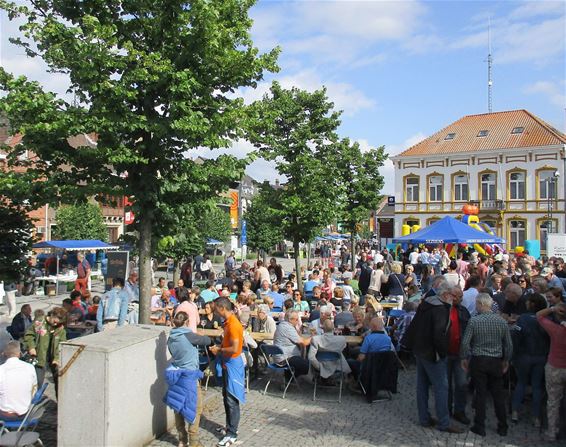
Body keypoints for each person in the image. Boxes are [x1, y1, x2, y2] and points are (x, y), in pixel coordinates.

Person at [402, 283, 463, 433]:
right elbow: (439, 334)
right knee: (441, 387)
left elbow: (416, 326)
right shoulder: (440, 309)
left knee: (422, 386)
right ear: (445, 294)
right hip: (432, 353)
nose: (454, 299)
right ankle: (444, 422)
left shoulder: (427, 304)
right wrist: (442, 353)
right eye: (453, 295)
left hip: (420, 349)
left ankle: (424, 418)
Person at [461, 293, 512, 437]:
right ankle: (503, 426)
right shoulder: (501, 322)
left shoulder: (474, 321)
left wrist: (464, 357)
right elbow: (508, 345)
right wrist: (506, 360)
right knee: (498, 395)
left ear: (481, 304)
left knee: (480, 393)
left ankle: (480, 425)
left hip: (479, 360)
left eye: (477, 304)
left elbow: (465, 343)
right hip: (495, 360)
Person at [166, 312, 211, 447]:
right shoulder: (188, 335)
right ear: (186, 321)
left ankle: (182, 439)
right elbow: (207, 341)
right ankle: (194, 442)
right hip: (189, 375)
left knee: (178, 406)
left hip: (176, 373)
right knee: (195, 408)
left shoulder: (171, 337)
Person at [209, 298, 245, 447]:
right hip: (227, 363)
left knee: (232, 400)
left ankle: (232, 434)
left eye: (216, 309)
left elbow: (235, 348)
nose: (215, 312)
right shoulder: (228, 323)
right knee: (226, 397)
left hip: (233, 365)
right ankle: (229, 427)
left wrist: (219, 350)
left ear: (222, 308)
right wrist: (220, 346)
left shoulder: (234, 325)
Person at [511, 293, 549, 427]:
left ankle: (515, 411)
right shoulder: (546, 319)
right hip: (540, 356)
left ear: (531, 304)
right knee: (537, 386)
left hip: (524, 356)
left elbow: (516, 337)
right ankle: (536, 417)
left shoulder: (523, 319)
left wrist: (513, 355)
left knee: (521, 383)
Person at [536, 302, 566, 442]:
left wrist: (553, 308)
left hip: (555, 367)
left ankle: (552, 432)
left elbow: (539, 315)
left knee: (553, 401)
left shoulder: (555, 329)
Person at [23, 307, 67, 395]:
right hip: (40, 357)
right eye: (54, 321)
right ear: (52, 315)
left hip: (54, 358)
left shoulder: (60, 328)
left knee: (59, 383)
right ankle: (32, 401)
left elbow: (62, 344)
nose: (55, 324)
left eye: (58, 323)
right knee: (37, 381)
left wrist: (57, 358)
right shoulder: (40, 322)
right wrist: (31, 347)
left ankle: (60, 404)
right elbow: (29, 335)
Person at [446, 286, 470, 425]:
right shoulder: (443, 310)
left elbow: (468, 330)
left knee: (461, 384)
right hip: (446, 352)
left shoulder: (463, 311)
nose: (461, 299)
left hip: (460, 353)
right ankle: (446, 410)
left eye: (461, 297)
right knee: (446, 384)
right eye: (458, 296)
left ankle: (459, 411)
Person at [0, 341, 37, 419]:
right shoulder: (30, 368)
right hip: (25, 412)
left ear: (5, 354)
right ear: (19, 354)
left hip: (5, 414)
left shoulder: (1, 370)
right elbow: (34, 390)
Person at [273, 310, 311, 377]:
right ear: (291, 319)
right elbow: (304, 342)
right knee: (310, 364)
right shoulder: (288, 328)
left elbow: (298, 338)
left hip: (280, 357)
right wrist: (314, 337)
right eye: (297, 320)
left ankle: (289, 378)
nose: (298, 321)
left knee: (303, 358)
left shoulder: (282, 325)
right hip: (285, 359)